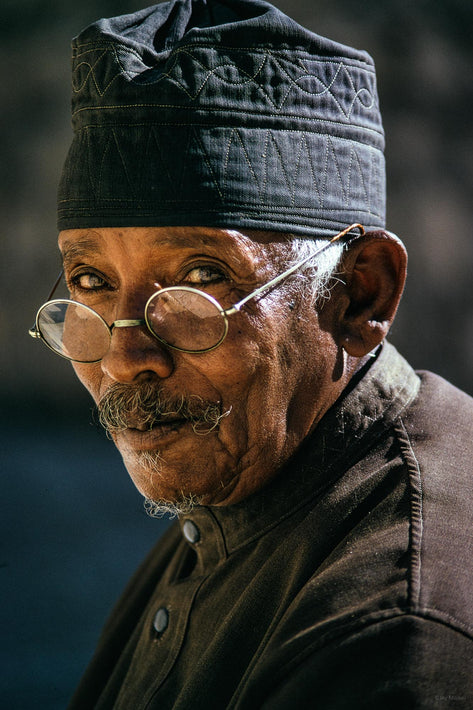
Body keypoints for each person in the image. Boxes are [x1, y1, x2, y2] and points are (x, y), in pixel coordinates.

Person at [30, 0, 473, 706]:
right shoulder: (246, 486)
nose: (123, 357)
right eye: (90, 282)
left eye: (201, 278)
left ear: (359, 294)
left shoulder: (396, 633)